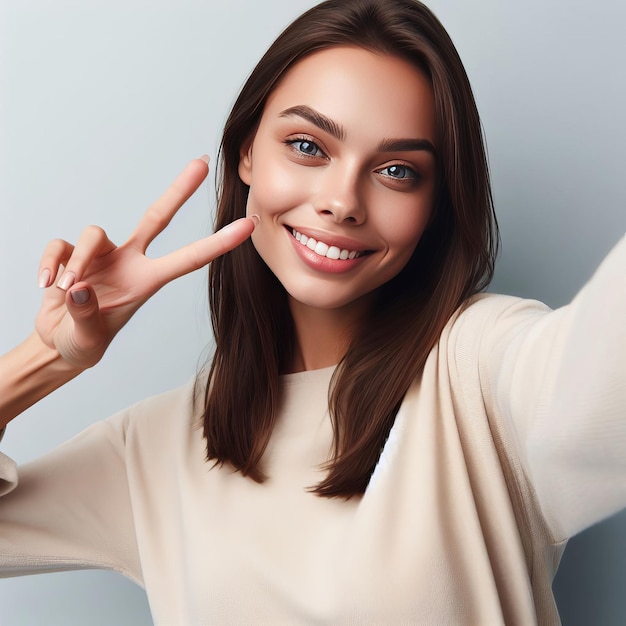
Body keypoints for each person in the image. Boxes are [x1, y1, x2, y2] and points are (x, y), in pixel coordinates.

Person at [1, 0, 624, 623]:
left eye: (398, 170)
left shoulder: (480, 372)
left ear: (437, 202)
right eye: (307, 146)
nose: (342, 201)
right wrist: (46, 360)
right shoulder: (160, 446)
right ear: (247, 154)